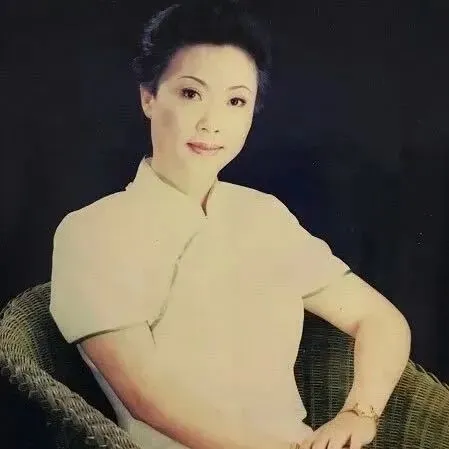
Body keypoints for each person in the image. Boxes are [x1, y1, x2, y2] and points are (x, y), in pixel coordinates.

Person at [49, 1, 412, 448]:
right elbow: (148, 399)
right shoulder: (91, 231)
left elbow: (378, 318)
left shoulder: (263, 215)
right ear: (149, 97)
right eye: (190, 93)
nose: (212, 123)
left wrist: (360, 413)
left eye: (236, 101)